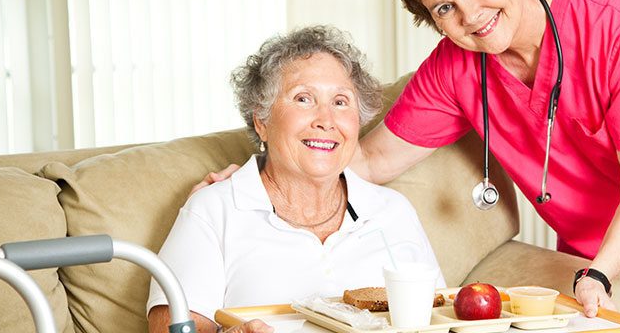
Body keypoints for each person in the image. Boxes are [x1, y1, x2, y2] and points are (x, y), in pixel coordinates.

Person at [193, 0, 620, 332]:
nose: (468, 16)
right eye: (442, 7)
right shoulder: (455, 67)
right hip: (597, 225)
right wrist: (260, 175)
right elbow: (365, 161)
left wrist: (596, 271)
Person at [148, 25, 445, 333]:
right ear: (261, 121)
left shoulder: (394, 211)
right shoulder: (213, 210)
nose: (326, 120)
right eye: (304, 99)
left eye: (340, 102)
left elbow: (442, 318)